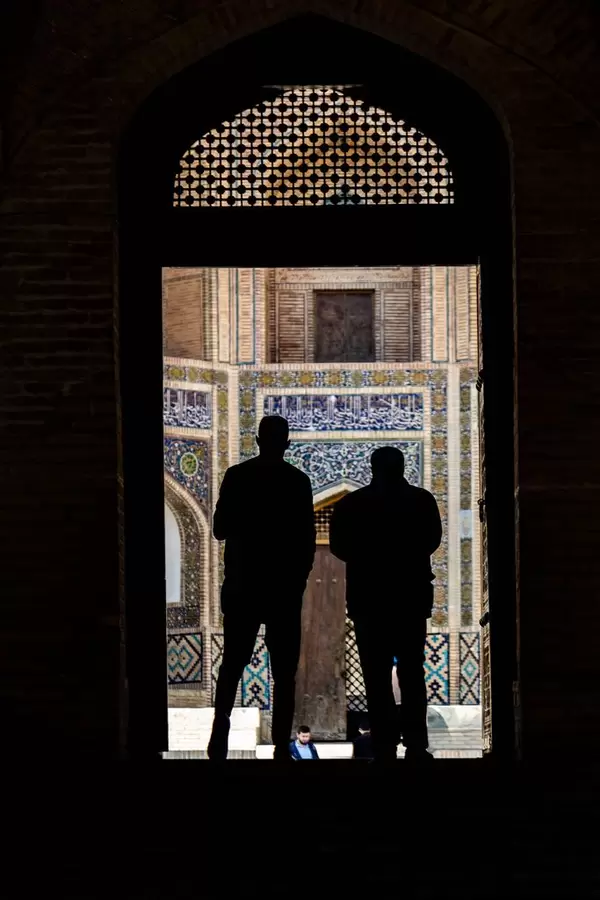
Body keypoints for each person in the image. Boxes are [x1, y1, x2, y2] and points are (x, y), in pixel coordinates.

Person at [207, 415, 316, 761]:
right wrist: (296, 579)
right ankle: (280, 746)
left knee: (233, 664)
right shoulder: (297, 482)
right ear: (286, 443)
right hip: (282, 590)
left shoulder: (238, 477)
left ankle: (219, 731)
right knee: (284, 672)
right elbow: (307, 540)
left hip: (243, 586)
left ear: (257, 440)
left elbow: (219, 529)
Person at [330, 446, 442, 763]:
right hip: (410, 597)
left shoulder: (353, 503)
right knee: (412, 672)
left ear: (372, 468)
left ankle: (384, 744)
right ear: (402, 467)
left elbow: (338, 546)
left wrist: (369, 558)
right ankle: (417, 743)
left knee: (376, 675)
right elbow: (432, 539)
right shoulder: (420, 501)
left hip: (370, 600)